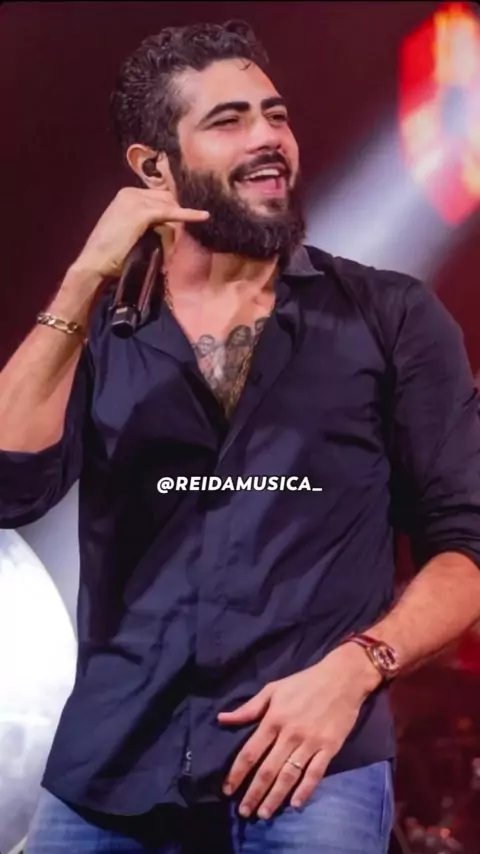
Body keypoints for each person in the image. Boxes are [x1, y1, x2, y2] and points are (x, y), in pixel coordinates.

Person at [1, 18, 480, 854]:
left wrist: (357, 667)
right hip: (109, 780)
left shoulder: (389, 317)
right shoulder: (102, 331)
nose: (268, 139)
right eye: (229, 120)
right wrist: (82, 281)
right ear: (154, 168)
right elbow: (9, 489)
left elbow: (467, 547)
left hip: (309, 773)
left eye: (276, 114)